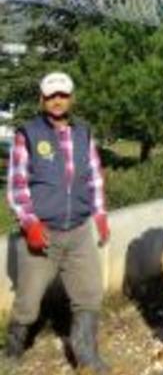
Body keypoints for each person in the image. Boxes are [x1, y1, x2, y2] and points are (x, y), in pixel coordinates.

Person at [4, 72, 111, 373]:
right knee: (28, 303)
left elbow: (93, 176)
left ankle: (87, 357)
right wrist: (29, 223)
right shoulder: (28, 133)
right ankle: (12, 351)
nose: (57, 100)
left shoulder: (84, 133)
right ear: (42, 99)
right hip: (43, 235)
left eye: (63, 94)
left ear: (71, 98)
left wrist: (100, 213)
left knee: (89, 294)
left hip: (78, 232)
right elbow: (17, 185)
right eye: (51, 95)